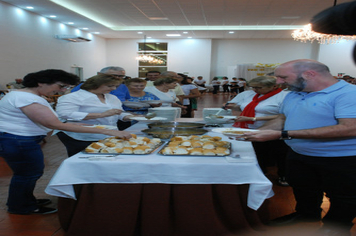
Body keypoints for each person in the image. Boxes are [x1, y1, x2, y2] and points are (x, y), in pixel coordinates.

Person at [242, 59, 356, 235]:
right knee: (303, 188)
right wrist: (257, 134)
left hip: (341, 158)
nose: (278, 81)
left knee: (343, 197)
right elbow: (282, 118)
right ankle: (306, 215)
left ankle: (335, 227)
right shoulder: (294, 94)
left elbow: (350, 128)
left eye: (282, 77)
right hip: (298, 153)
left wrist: (284, 134)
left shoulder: (348, 94)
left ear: (309, 74)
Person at [0, 69, 132, 215]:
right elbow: (54, 124)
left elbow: (53, 121)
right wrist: (106, 131)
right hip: (18, 140)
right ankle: (21, 206)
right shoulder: (26, 98)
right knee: (27, 174)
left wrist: (79, 125)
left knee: (29, 173)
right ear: (41, 83)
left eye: (65, 87)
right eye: (61, 86)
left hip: (19, 139)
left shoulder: (26, 95)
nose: (62, 90)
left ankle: (25, 200)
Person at [226, 76, 289, 186]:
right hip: (251, 128)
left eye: (259, 87)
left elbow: (284, 116)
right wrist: (231, 107)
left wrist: (253, 119)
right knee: (258, 152)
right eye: (253, 87)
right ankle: (260, 173)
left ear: (274, 86)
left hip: (274, 129)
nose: (255, 90)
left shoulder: (283, 96)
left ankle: (283, 175)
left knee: (279, 153)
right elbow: (242, 107)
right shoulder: (253, 95)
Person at [55, 74, 134, 157]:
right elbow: (65, 114)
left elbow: (117, 112)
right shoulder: (72, 97)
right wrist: (101, 115)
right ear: (95, 85)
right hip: (81, 136)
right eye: (110, 86)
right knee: (84, 159)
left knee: (107, 156)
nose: (113, 89)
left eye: (115, 86)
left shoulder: (112, 97)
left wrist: (127, 116)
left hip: (109, 134)